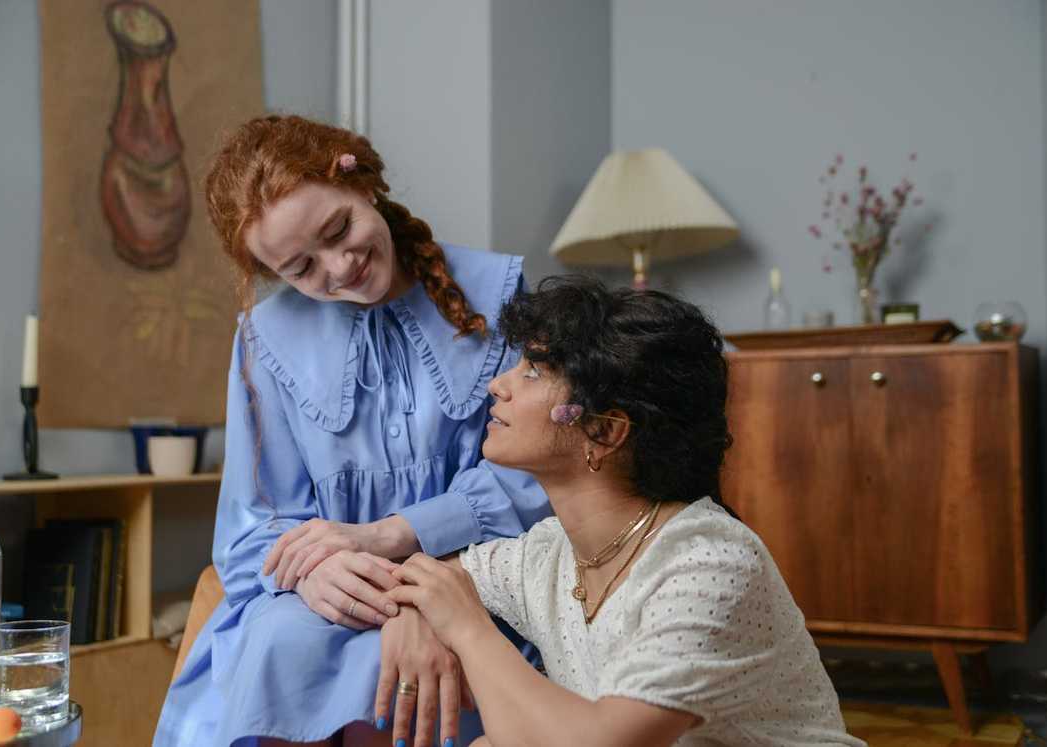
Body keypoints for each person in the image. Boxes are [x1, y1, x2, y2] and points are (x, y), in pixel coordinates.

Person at [153, 115, 551, 747]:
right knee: (283, 640)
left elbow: (535, 477)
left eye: (338, 230)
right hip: (334, 592)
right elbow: (256, 523)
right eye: (299, 269)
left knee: (399, 667)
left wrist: (397, 548)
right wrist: (311, 574)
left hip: (480, 570)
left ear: (359, 180)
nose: (338, 269)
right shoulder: (264, 337)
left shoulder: (498, 292)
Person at [378, 277, 866, 747]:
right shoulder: (548, 554)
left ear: (606, 431)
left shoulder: (709, 564)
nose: (497, 386)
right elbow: (432, 581)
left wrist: (467, 629)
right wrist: (414, 615)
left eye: (533, 372)